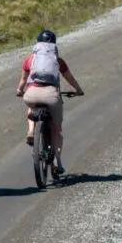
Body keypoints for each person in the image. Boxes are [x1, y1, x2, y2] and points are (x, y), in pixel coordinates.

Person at [16, 30, 84, 175]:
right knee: (57, 130)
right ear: (53, 44)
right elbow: (69, 78)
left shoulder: (30, 59)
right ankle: (57, 161)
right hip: (51, 95)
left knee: (31, 107)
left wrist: (19, 90)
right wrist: (78, 90)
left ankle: (30, 130)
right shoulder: (57, 60)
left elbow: (22, 81)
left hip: (32, 94)